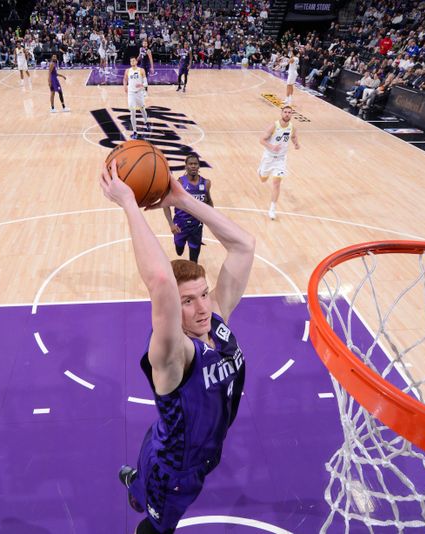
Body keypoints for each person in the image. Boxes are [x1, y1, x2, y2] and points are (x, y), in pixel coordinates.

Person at [99, 155, 255, 534]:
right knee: (153, 529)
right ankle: (140, 490)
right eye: (188, 301)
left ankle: (135, 481)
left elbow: (244, 247)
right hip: (174, 472)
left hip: (183, 444)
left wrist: (181, 199)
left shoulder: (215, 320)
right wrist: (129, 204)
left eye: (204, 294)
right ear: (175, 306)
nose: (203, 306)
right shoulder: (172, 353)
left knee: (152, 449)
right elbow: (161, 283)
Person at [162, 154, 212, 264]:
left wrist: (212, 220)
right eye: (190, 164)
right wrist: (171, 224)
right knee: (179, 251)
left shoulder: (206, 183)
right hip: (180, 225)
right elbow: (165, 204)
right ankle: (179, 244)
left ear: (199, 166)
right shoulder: (179, 183)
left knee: (194, 261)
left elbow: (209, 203)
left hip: (197, 226)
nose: (193, 166)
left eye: (195, 164)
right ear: (186, 167)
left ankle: (192, 279)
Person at [258, 105, 300, 220]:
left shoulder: (292, 128)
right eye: (285, 112)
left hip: (281, 159)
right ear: (281, 113)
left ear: (291, 115)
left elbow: (294, 136)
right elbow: (261, 140)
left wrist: (296, 144)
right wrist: (271, 146)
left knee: (276, 183)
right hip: (269, 157)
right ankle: (261, 171)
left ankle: (272, 209)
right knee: (263, 179)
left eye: (289, 112)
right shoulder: (274, 126)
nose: (287, 114)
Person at [124, 56, 150, 139]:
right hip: (131, 94)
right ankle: (135, 131)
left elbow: (146, 83)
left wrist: (141, 85)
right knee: (132, 112)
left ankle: (146, 122)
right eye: (131, 61)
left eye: (134, 61)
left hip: (139, 93)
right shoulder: (127, 71)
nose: (132, 62)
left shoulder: (141, 70)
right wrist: (124, 86)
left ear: (136, 62)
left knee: (142, 109)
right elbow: (125, 79)